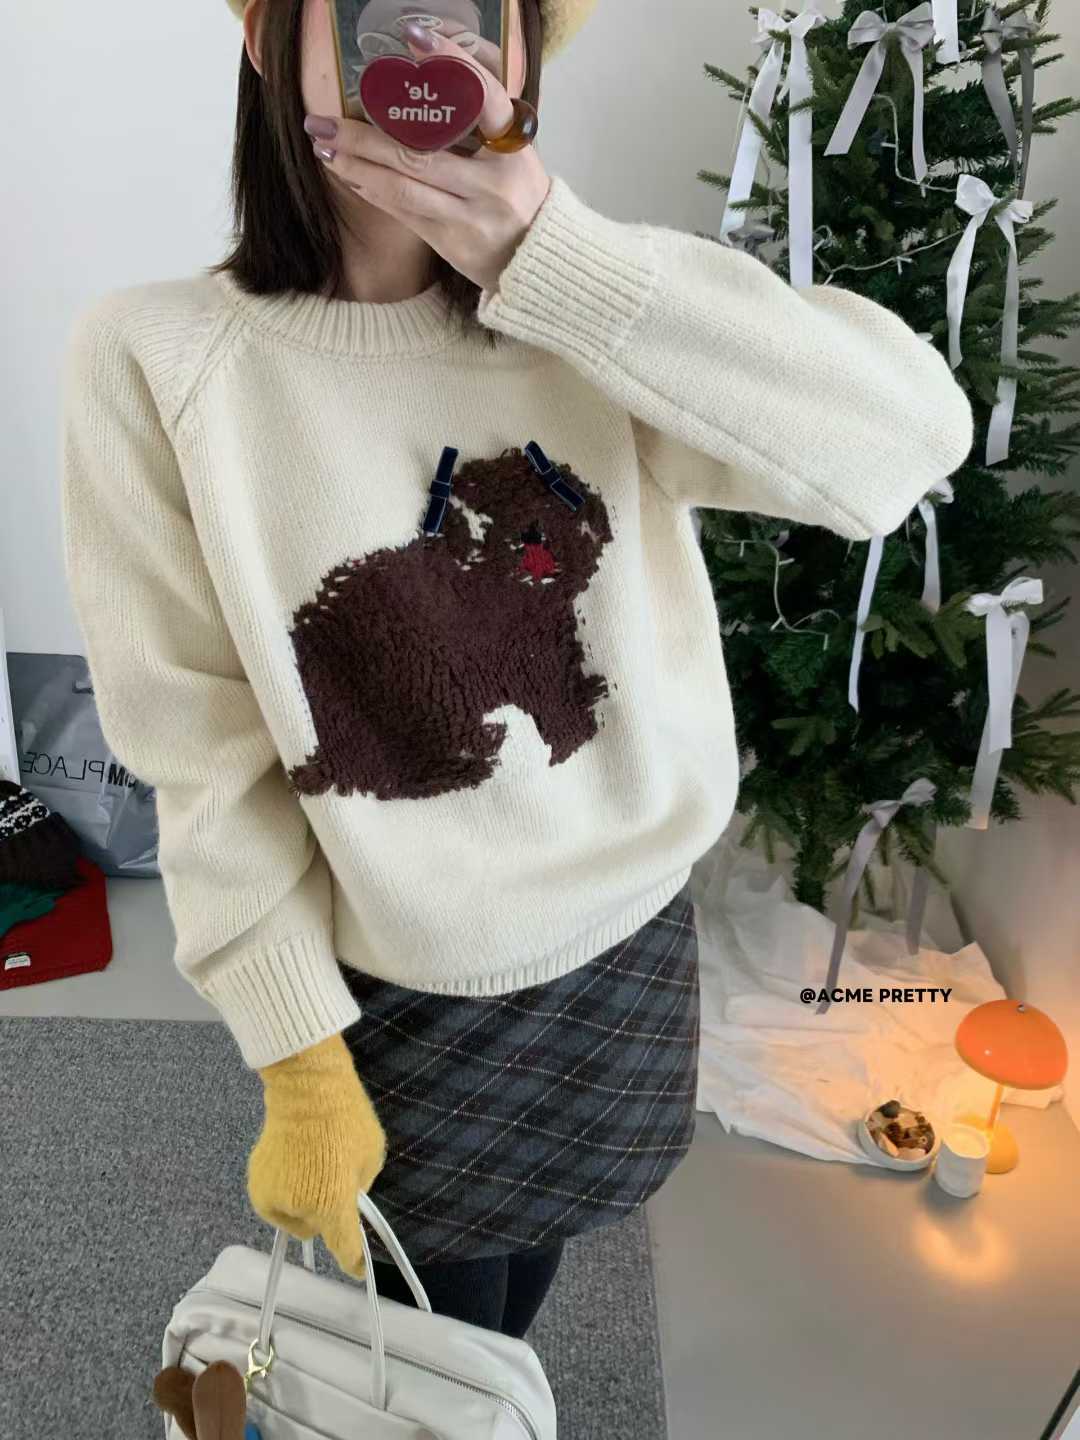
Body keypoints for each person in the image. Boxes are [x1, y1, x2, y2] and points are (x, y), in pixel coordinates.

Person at [59, 0, 973, 1342]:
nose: (428, 37)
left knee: (521, 1283)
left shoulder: (598, 312)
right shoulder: (160, 361)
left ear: (527, 50)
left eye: (483, 7)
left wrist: (557, 259)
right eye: (376, 3)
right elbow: (203, 750)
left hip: (624, 937)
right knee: (426, 1327)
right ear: (269, 39)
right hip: (402, 971)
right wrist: (297, 1052)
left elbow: (907, 443)